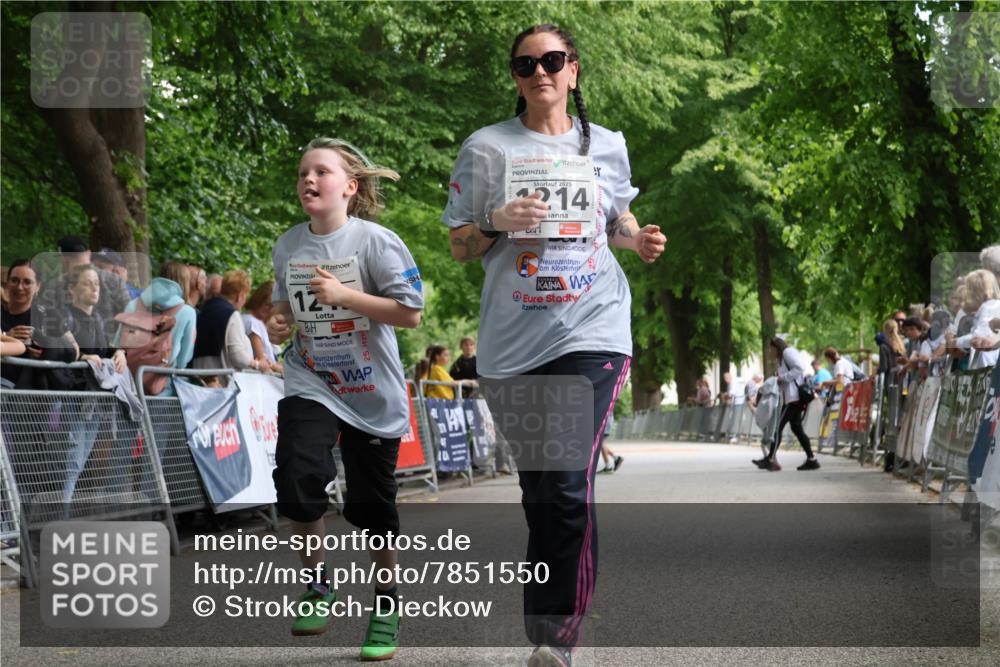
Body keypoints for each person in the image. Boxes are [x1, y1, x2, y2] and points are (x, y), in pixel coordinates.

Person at [442, 23, 665, 664]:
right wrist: (494, 222)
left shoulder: (607, 144)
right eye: (525, 64)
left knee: (568, 484)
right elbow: (458, 246)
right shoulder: (486, 149)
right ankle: (545, 629)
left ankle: (558, 641)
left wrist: (635, 240)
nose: (539, 72)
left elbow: (615, 216)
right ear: (514, 77)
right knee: (541, 494)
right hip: (514, 343)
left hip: (593, 328)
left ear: (573, 71)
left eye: (553, 60)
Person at [266, 137, 422, 661]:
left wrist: (346, 297)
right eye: (302, 173)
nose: (309, 180)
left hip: (371, 391)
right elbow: (281, 310)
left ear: (350, 188)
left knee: (372, 507)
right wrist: (280, 319)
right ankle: (317, 585)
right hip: (312, 380)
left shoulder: (377, 242)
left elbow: (410, 313)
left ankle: (385, 601)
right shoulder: (288, 245)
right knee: (297, 474)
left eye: (321, 172)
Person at [60, 264, 128, 504]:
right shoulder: (64, 318)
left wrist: (119, 352)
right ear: (71, 289)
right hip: (73, 399)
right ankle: (59, 520)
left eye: (96, 283)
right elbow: (57, 352)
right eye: (87, 283)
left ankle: (62, 516)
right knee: (71, 463)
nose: (94, 288)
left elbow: (106, 348)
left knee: (79, 464)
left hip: (95, 401)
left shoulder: (99, 319)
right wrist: (82, 358)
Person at [117, 261, 197, 395]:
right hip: (163, 387)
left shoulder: (133, 305)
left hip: (127, 385)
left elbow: (119, 343)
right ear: (184, 283)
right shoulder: (187, 312)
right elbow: (183, 360)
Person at [754, 337, 819, 472]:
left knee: (777, 427)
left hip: (794, 398)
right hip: (792, 398)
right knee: (797, 430)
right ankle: (811, 459)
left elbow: (800, 367)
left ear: (776, 347)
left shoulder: (787, 352)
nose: (770, 352)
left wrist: (782, 378)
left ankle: (770, 459)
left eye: (771, 349)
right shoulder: (782, 359)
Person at [190, 270, 256, 384]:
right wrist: (258, 364)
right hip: (223, 385)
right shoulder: (232, 315)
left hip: (200, 382)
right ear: (240, 296)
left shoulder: (204, 310)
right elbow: (237, 356)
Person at [1, 260, 41, 386]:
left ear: (38, 286)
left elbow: (71, 350)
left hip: (28, 395)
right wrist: (7, 336)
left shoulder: (46, 316)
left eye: (27, 282)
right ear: (7, 283)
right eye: (14, 280)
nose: (19, 287)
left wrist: (47, 351)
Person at [243, 280, 282, 374]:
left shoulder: (258, 322)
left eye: (274, 306)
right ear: (258, 301)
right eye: (267, 305)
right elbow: (261, 360)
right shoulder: (252, 322)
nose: (271, 310)